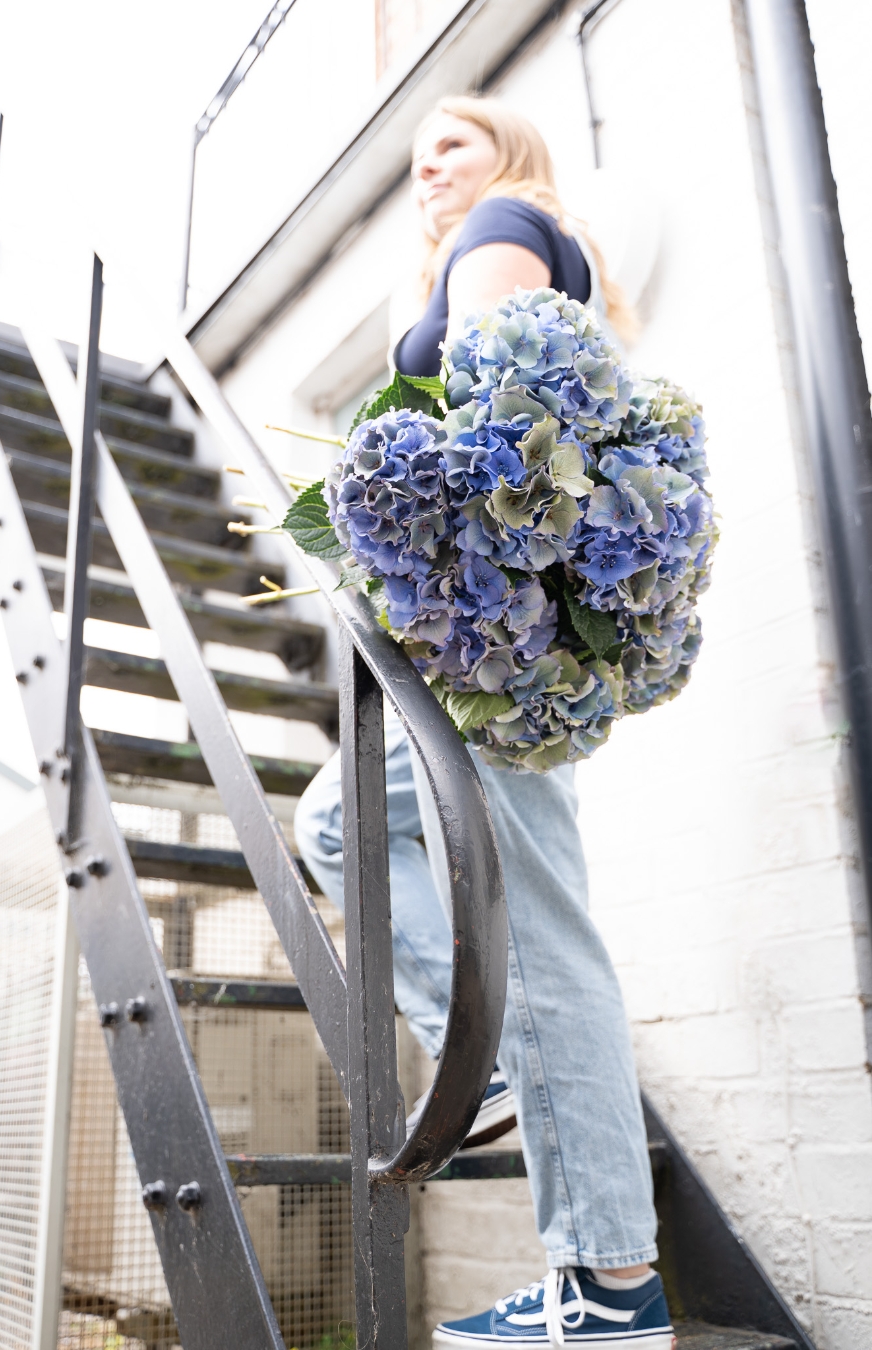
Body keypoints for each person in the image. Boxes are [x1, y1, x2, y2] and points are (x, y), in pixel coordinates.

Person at [294, 96, 674, 1349]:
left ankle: (612, 1288)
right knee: (342, 822)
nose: (428, 175)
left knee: (541, 925)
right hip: (499, 632)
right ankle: (514, 1065)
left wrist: (404, 539)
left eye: (447, 146)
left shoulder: (508, 223)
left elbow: (492, 398)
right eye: (415, 162)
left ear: (506, 154)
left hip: (493, 633)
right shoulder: (531, 240)